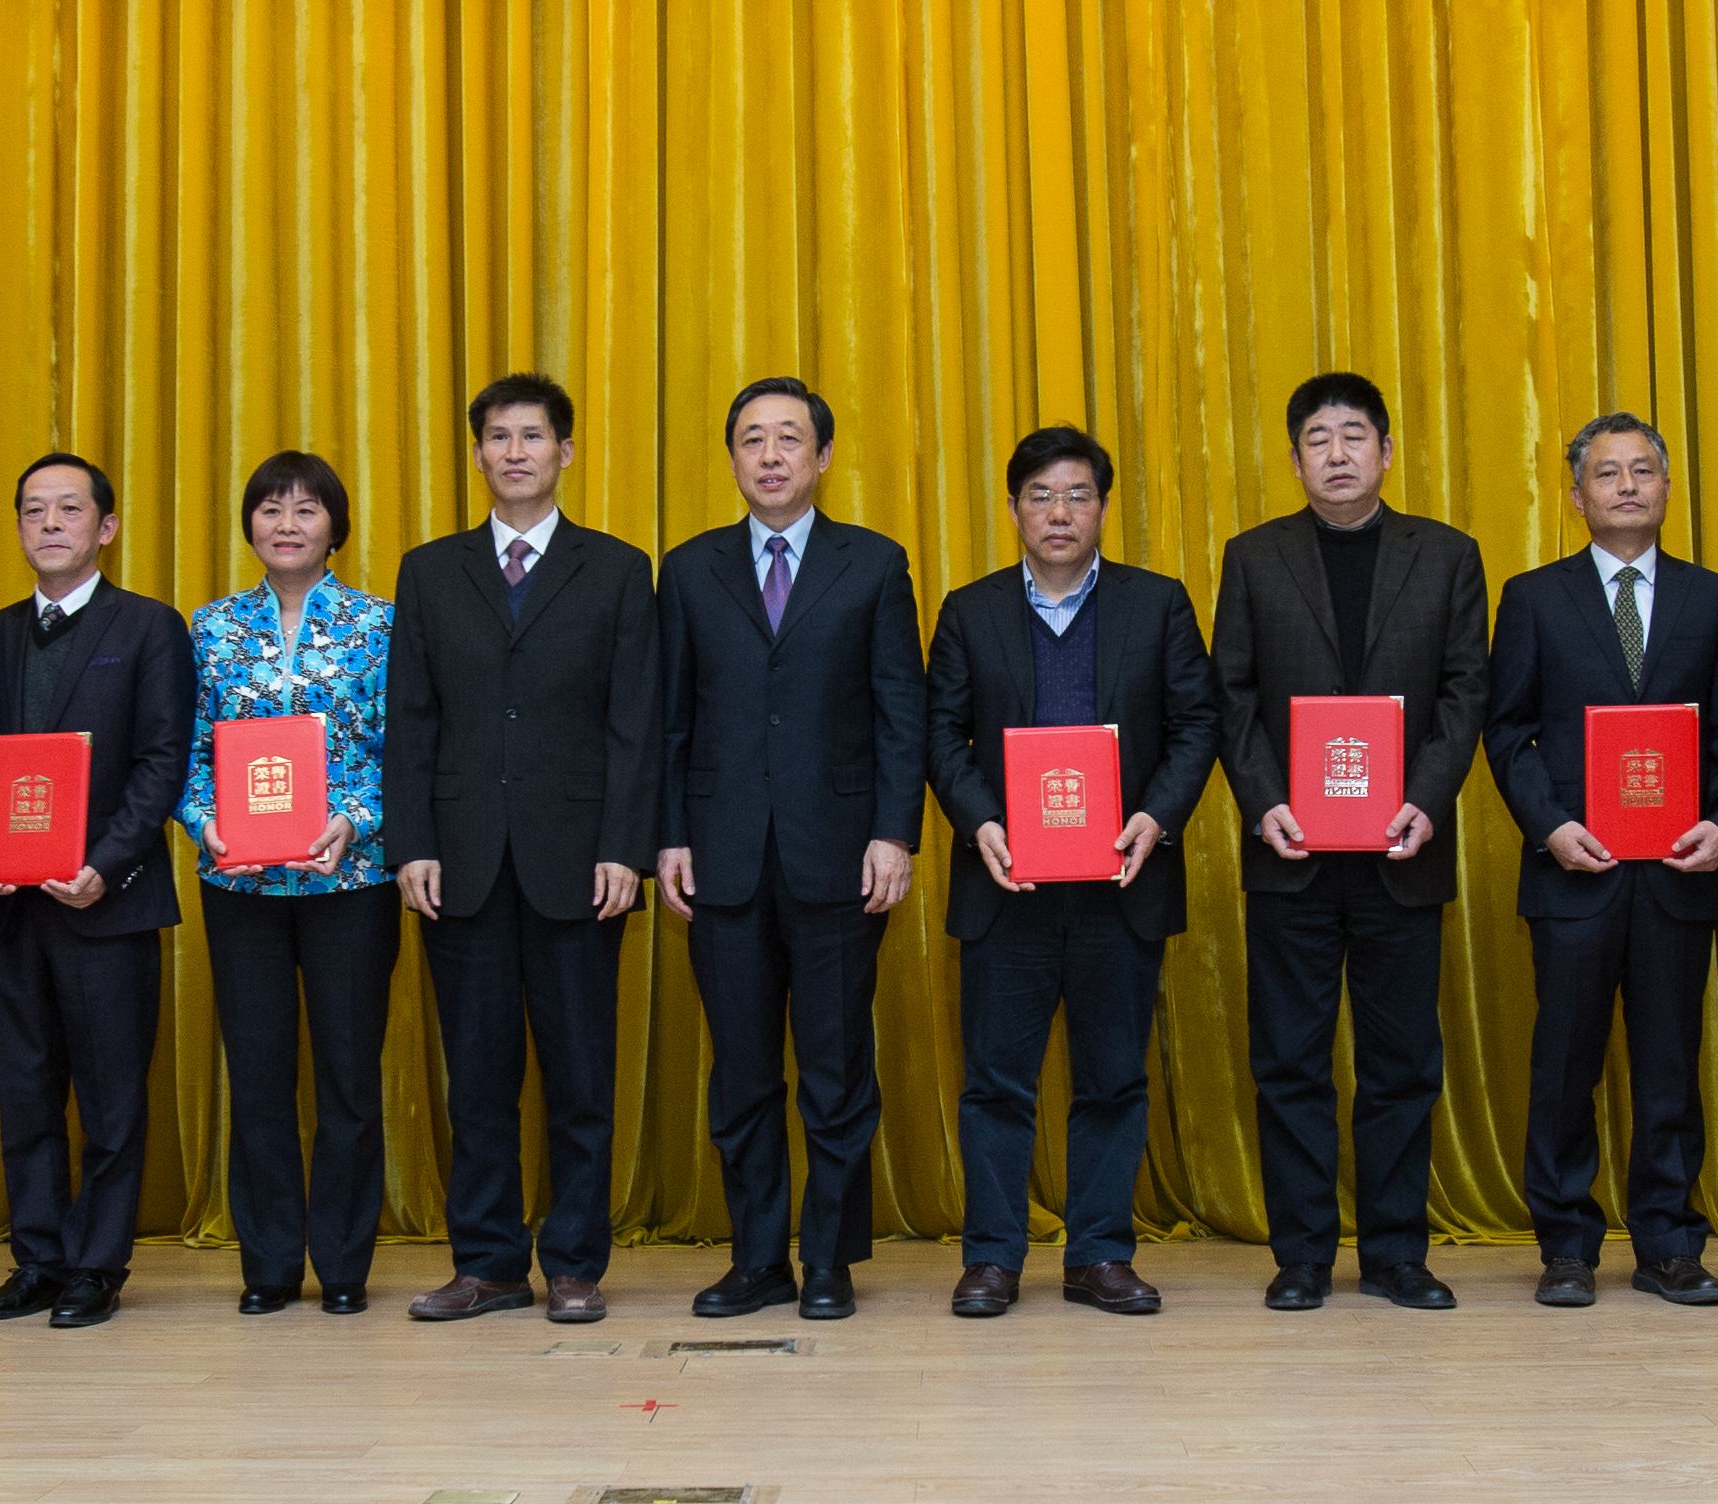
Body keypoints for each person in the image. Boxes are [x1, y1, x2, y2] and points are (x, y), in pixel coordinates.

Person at [1210, 372, 1492, 1312]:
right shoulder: (1254, 558)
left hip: (1401, 850)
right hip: (1290, 853)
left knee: (1401, 1063)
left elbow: (1465, 692)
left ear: (1386, 450)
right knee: (1290, 1062)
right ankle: (1301, 1255)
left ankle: (1396, 1254)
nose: (1337, 454)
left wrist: (1426, 799)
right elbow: (1231, 695)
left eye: (1354, 436)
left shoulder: (1446, 556)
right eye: (1318, 440)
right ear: (1296, 460)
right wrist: (1262, 802)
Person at [388, 372, 662, 1325]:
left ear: (565, 452)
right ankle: (489, 1263)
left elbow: (635, 720)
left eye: (533, 436)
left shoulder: (618, 569)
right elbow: (411, 718)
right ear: (477, 454)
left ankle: (576, 1263)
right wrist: (411, 842)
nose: (515, 452)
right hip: (458, 861)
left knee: (581, 1077)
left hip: (580, 861)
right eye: (498, 437)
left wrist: (625, 846)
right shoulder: (430, 571)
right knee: (477, 1080)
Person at [929, 424, 1218, 1320]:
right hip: (1007, 886)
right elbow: (939, 733)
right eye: (1041, 496)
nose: (1059, 513)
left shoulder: (1157, 604)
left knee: (1114, 1080)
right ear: (1014, 508)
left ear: (1102, 507)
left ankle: (1099, 1254)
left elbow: (1197, 724)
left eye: (1078, 496)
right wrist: (981, 821)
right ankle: (991, 1258)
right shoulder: (969, 610)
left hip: (1119, 885)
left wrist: (1155, 817)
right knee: (996, 1082)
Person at [653, 377, 927, 1321]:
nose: (770, 456)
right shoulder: (690, 569)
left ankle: (831, 1260)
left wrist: (894, 832)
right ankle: (759, 1259)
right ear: (732, 457)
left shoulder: (874, 564)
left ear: (824, 456)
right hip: (721, 855)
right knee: (741, 1075)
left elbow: (901, 713)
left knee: (837, 1070)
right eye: (752, 440)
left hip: (841, 854)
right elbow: (671, 718)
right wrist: (670, 835)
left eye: (789, 439)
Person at [1479, 413, 1718, 1309]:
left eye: (1643, 470)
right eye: (1608, 473)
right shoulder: (1533, 597)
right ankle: (1566, 1244)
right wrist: (1550, 827)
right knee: (1565, 1064)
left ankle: (1669, 1243)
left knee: (1671, 1064)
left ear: (1668, 487)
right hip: (1574, 871)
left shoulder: (1712, 598)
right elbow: (1508, 731)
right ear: (1576, 496)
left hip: (1679, 871)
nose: (1627, 485)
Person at [0, 453, 194, 1330]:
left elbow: (162, 760)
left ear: (107, 527)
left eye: (69, 509)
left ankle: (97, 1264)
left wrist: (107, 863)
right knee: (24, 1091)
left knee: (110, 1097)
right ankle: (38, 1259)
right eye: (34, 511)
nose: (50, 524)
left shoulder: (150, 627)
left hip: (107, 900)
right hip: (10, 902)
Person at [182, 450, 400, 1318]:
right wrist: (204, 819)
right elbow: (186, 750)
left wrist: (356, 817)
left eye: (307, 509)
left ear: (335, 527)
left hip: (351, 881)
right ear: (250, 524)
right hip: (241, 888)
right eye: (271, 508)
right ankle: (269, 1263)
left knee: (349, 1077)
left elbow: (405, 746)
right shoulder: (210, 628)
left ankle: (344, 1263)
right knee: (259, 1077)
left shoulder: (380, 625)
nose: (287, 524)